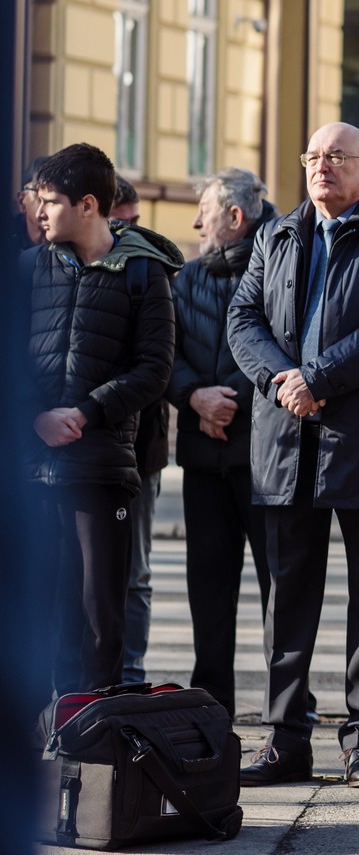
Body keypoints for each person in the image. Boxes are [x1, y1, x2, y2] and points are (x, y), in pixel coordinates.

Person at [228, 122, 359, 789]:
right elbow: (243, 320)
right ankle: (286, 738)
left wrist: (319, 378)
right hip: (286, 443)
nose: (323, 166)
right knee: (286, 600)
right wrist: (283, 381)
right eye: (314, 156)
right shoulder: (276, 233)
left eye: (337, 157)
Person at [24, 144, 181, 694]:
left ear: (87, 205)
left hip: (102, 468)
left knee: (99, 616)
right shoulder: (27, 270)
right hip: (31, 468)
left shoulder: (144, 273)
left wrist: (87, 412)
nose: (39, 212)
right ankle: (43, 735)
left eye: (50, 201)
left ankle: (95, 738)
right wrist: (37, 418)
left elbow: (154, 370)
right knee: (38, 613)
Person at [167, 168, 277, 715]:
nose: (195, 222)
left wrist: (226, 402)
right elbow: (164, 354)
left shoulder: (284, 265)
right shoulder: (185, 278)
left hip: (267, 460)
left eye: (204, 210)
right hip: (204, 458)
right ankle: (212, 707)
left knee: (280, 590)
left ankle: (287, 707)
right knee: (208, 590)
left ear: (235, 218)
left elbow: (288, 351)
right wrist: (195, 398)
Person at [107, 175, 171, 686]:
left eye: (132, 223)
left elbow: (161, 363)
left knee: (136, 572)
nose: (126, 232)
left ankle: (129, 675)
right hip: (86, 449)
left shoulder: (150, 271)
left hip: (140, 449)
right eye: (118, 222)